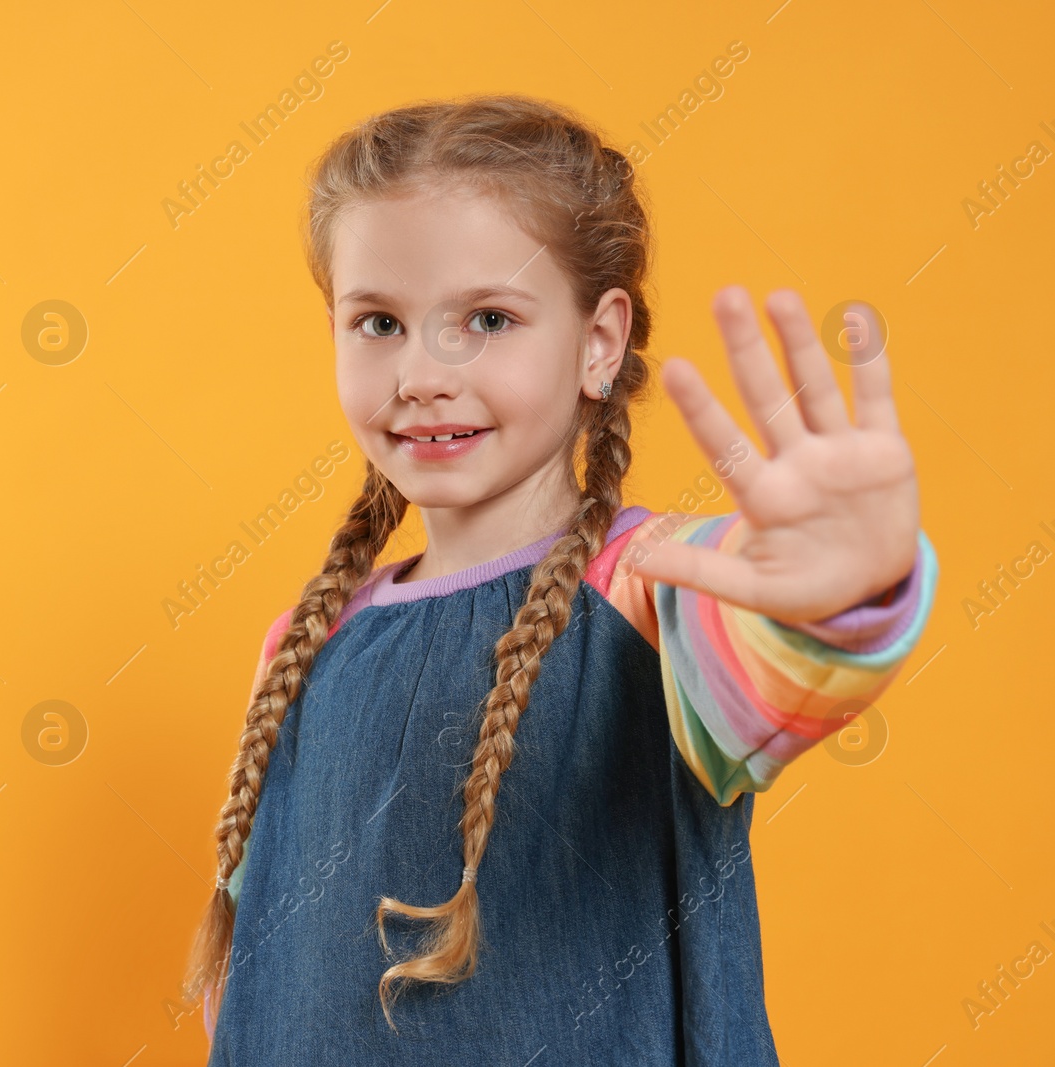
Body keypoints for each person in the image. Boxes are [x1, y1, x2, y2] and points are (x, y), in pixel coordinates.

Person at [182, 93, 938, 1065]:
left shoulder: (658, 584)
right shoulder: (305, 644)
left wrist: (850, 587)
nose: (419, 371)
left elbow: (789, 664)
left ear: (598, 340)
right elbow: (265, 986)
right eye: (377, 322)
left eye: (486, 317)